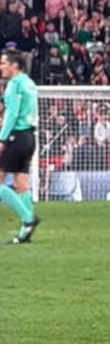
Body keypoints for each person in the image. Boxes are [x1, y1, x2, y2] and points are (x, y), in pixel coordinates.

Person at [0, 50, 40, 244]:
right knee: (21, 183)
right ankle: (26, 232)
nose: (1, 67)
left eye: (4, 63)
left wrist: (2, 139)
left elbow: (12, 114)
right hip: (29, 137)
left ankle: (27, 218)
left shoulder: (14, 84)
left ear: (15, 65)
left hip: (16, 136)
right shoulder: (29, 83)